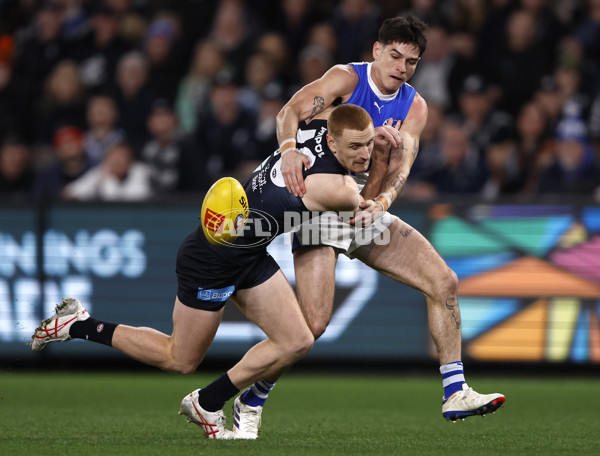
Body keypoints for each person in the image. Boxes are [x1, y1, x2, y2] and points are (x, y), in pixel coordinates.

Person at [31, 104, 376, 440]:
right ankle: (81, 325)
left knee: (297, 340)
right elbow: (366, 208)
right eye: (356, 146)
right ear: (332, 142)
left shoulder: (313, 126)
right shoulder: (339, 190)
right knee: (179, 359)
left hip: (250, 253)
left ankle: (208, 402)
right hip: (210, 260)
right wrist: (391, 160)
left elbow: (295, 107)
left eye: (370, 143)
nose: (365, 154)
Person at [237, 15, 505, 437]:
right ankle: (251, 397)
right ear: (377, 52)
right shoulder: (346, 79)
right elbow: (290, 110)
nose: (401, 67)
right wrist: (288, 150)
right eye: (395, 55)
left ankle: (455, 390)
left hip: (364, 210)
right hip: (322, 210)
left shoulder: (414, 105)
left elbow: (406, 162)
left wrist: (383, 202)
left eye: (411, 61)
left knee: (444, 281)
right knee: (311, 327)